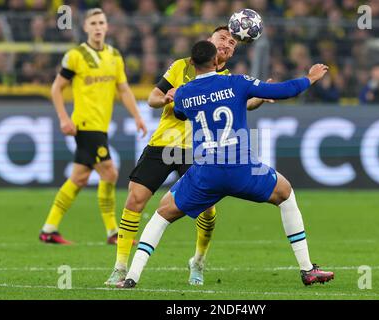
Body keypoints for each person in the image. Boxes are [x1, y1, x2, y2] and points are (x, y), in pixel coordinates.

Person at [118, 40, 334, 289]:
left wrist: (178, 95)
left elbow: (179, 112)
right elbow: (285, 91)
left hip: (206, 173)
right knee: (285, 194)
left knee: (161, 215)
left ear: (192, 62)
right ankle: (307, 269)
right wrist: (310, 77)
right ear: (216, 62)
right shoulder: (237, 82)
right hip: (241, 169)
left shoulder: (185, 92)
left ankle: (131, 277)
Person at [104, 25, 273, 287]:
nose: (227, 44)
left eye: (232, 43)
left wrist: (261, 98)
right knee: (135, 199)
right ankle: (120, 267)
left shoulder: (229, 79)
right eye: (222, 39)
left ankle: (198, 261)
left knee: (207, 211)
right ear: (209, 41)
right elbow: (152, 97)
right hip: (164, 143)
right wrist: (165, 99)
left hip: (201, 150)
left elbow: (248, 103)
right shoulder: (181, 66)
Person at [39, 8, 147, 245]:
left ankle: (49, 229)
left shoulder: (114, 56)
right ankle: (112, 232)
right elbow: (57, 88)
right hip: (85, 124)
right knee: (109, 172)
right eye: (93, 23)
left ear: (107, 27)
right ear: (86, 27)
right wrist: (63, 118)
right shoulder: (75, 55)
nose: (98, 27)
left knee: (79, 177)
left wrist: (138, 116)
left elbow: (123, 89)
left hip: (101, 125)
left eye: (101, 22)